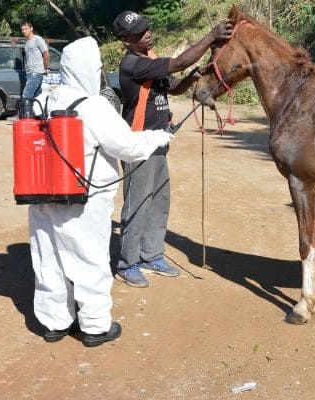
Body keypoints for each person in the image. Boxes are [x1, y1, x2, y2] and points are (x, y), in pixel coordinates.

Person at [29, 36, 174, 347]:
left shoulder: (42, 100)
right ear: (88, 70)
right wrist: (158, 138)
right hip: (84, 200)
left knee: (48, 259)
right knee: (88, 258)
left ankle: (55, 322)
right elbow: (129, 147)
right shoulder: (93, 107)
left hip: (41, 196)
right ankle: (95, 326)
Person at [112, 11, 232, 288]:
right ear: (126, 41)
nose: (148, 34)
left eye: (147, 28)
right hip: (138, 145)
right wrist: (211, 36)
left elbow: (174, 87)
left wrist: (192, 77)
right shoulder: (132, 64)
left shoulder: (150, 60)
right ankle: (127, 264)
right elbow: (178, 63)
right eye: (140, 33)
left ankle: (151, 256)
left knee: (158, 202)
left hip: (158, 143)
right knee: (137, 204)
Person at [20, 20, 50, 98]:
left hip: (36, 72)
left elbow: (46, 53)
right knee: (37, 97)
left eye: (26, 29)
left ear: (31, 28)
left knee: (26, 95)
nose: (24, 31)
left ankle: (25, 110)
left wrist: (46, 68)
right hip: (29, 73)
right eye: (22, 29)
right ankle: (37, 110)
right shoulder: (26, 43)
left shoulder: (38, 39)